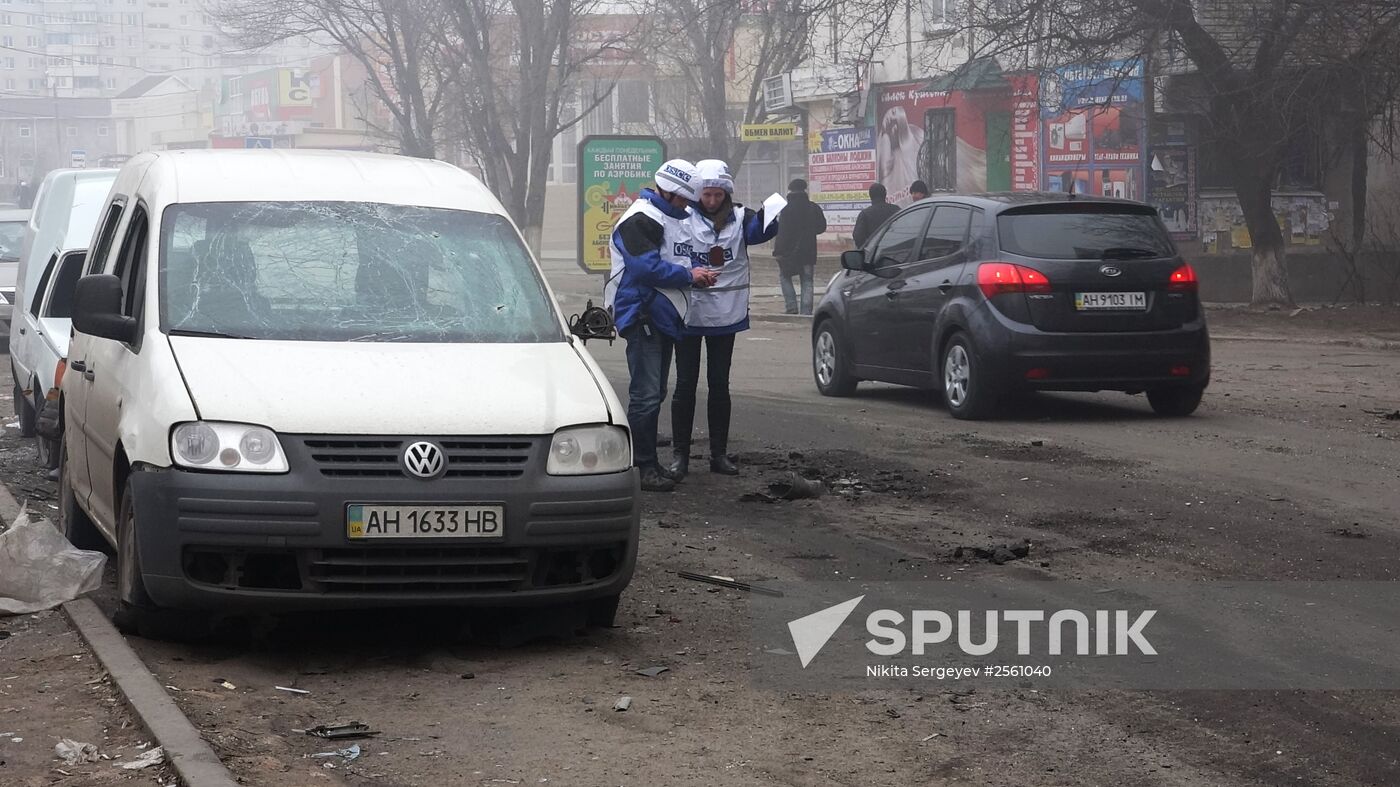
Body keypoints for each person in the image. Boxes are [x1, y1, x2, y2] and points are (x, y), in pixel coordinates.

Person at [606, 159, 719, 492]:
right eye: (683, 199)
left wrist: (696, 273)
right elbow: (645, 268)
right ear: (668, 191)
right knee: (645, 395)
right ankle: (641, 467)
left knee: (654, 392)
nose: (686, 205)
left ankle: (648, 462)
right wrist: (689, 276)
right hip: (642, 313)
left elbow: (677, 258)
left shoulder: (667, 216)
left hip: (660, 315)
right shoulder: (641, 218)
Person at [669, 159, 778, 480]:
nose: (712, 201)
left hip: (725, 316)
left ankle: (719, 454)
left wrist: (776, 213)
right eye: (706, 195)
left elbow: (762, 232)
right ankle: (680, 457)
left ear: (726, 193)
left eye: (717, 195)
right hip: (688, 314)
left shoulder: (743, 219)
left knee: (719, 385)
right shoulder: (681, 218)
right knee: (685, 385)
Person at [772, 178, 826, 315]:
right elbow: (821, 227)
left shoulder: (786, 209)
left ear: (790, 191)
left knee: (785, 277)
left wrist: (778, 251)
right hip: (808, 252)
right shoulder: (813, 207)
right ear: (804, 190)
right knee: (807, 281)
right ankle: (806, 312)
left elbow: (782, 232)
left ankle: (791, 307)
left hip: (788, 252)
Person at [852, 182, 900, 248]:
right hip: (896, 251)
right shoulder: (896, 210)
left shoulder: (865, 214)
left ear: (870, 196)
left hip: (874, 254)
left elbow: (858, 237)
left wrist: (867, 250)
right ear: (885, 194)